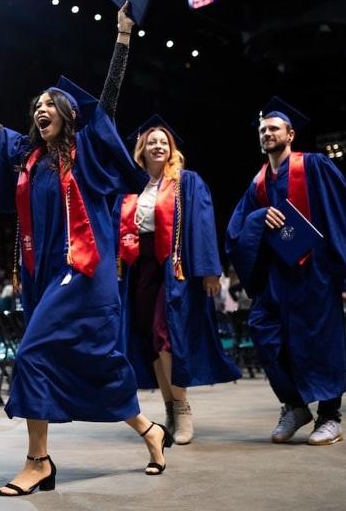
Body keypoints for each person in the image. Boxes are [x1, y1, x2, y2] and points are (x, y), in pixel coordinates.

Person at [0, 2, 171, 497]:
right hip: (46, 275)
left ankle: (38, 461)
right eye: (36, 105)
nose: (40, 109)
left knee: (32, 353)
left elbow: (106, 102)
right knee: (92, 362)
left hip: (84, 272)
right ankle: (149, 430)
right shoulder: (31, 158)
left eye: (49, 103)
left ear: (67, 114)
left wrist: (123, 38)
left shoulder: (87, 151)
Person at [225, 96, 346, 446]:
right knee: (264, 332)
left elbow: (342, 212)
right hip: (276, 277)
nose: (266, 133)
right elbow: (236, 229)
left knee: (320, 341)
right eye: (262, 130)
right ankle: (294, 404)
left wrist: (342, 266)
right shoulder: (257, 183)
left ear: (290, 134)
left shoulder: (315, 166)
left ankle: (330, 415)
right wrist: (260, 218)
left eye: (273, 128)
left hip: (315, 272)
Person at [115, 116, 241, 445]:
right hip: (140, 270)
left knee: (166, 335)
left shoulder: (186, 182)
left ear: (171, 149)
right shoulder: (132, 185)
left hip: (174, 269)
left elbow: (202, 223)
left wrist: (210, 269)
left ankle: (182, 408)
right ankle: (169, 409)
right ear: (141, 149)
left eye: (163, 142)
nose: (158, 145)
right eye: (151, 141)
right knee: (151, 340)